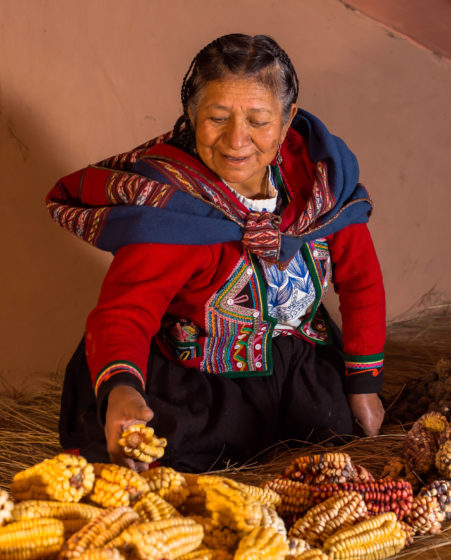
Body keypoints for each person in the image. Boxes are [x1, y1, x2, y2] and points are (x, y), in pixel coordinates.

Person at [46, 34, 386, 473]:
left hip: (298, 365)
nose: (236, 139)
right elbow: (126, 310)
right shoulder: (173, 209)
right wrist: (123, 393)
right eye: (217, 117)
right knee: (166, 465)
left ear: (287, 121)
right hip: (197, 377)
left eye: (259, 121)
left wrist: (363, 385)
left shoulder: (322, 188)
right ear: (191, 116)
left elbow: (362, 283)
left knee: (335, 448)